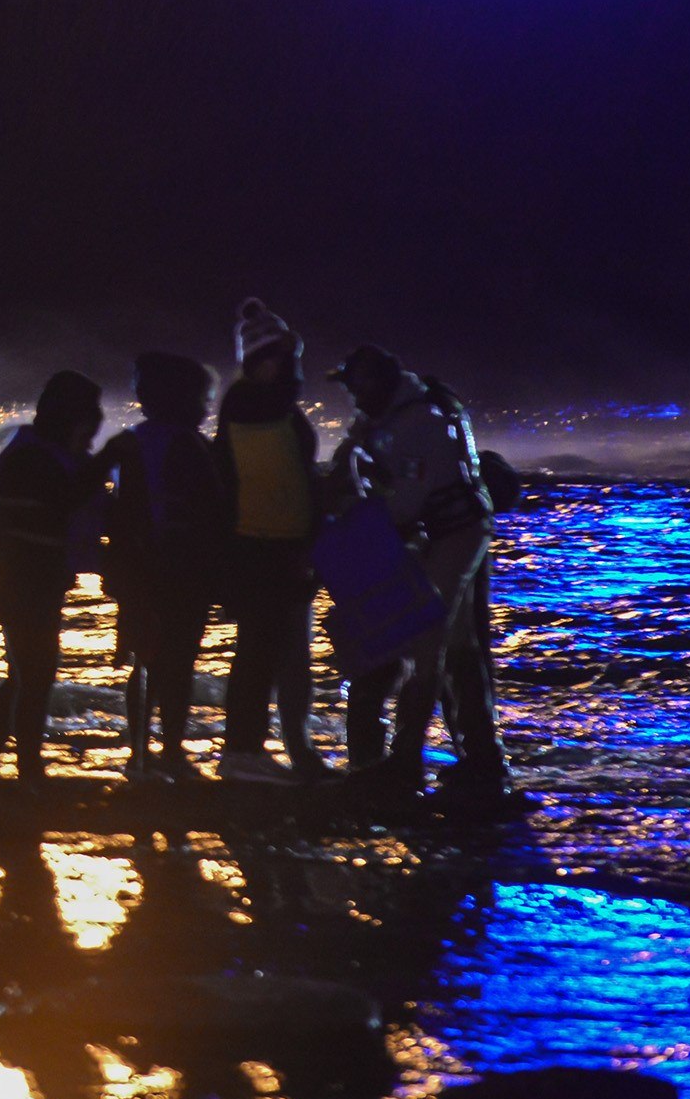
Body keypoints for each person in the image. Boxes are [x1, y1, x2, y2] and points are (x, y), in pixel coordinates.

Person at [328, 343, 503, 795]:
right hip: (448, 532)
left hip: (455, 532)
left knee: (429, 641)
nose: (354, 398)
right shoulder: (396, 414)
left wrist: (357, 520)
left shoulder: (416, 422)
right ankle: (482, 757)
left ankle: (407, 760)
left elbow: (407, 502)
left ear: (378, 385)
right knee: (459, 644)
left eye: (358, 388)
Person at [98, 351, 230, 782]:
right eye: (205, 398)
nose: (208, 407)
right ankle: (170, 752)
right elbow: (216, 512)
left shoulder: (126, 442)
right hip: (180, 572)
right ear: (185, 399)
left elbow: (101, 500)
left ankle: (138, 753)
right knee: (178, 663)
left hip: (136, 572)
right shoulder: (192, 445)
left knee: (144, 660)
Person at [211, 300, 327, 785]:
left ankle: (280, 750)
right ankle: (247, 750)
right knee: (264, 654)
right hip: (263, 550)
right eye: (279, 356)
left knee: (279, 655)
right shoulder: (254, 409)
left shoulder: (262, 410)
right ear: (260, 359)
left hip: (280, 550)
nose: (287, 367)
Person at [0, 371, 111, 783]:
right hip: (18, 583)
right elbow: (61, 503)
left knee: (23, 674)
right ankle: (28, 772)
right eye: (87, 429)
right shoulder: (32, 459)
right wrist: (105, 463)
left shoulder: (50, 453)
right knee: (36, 676)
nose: (90, 440)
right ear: (69, 420)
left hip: (29, 582)